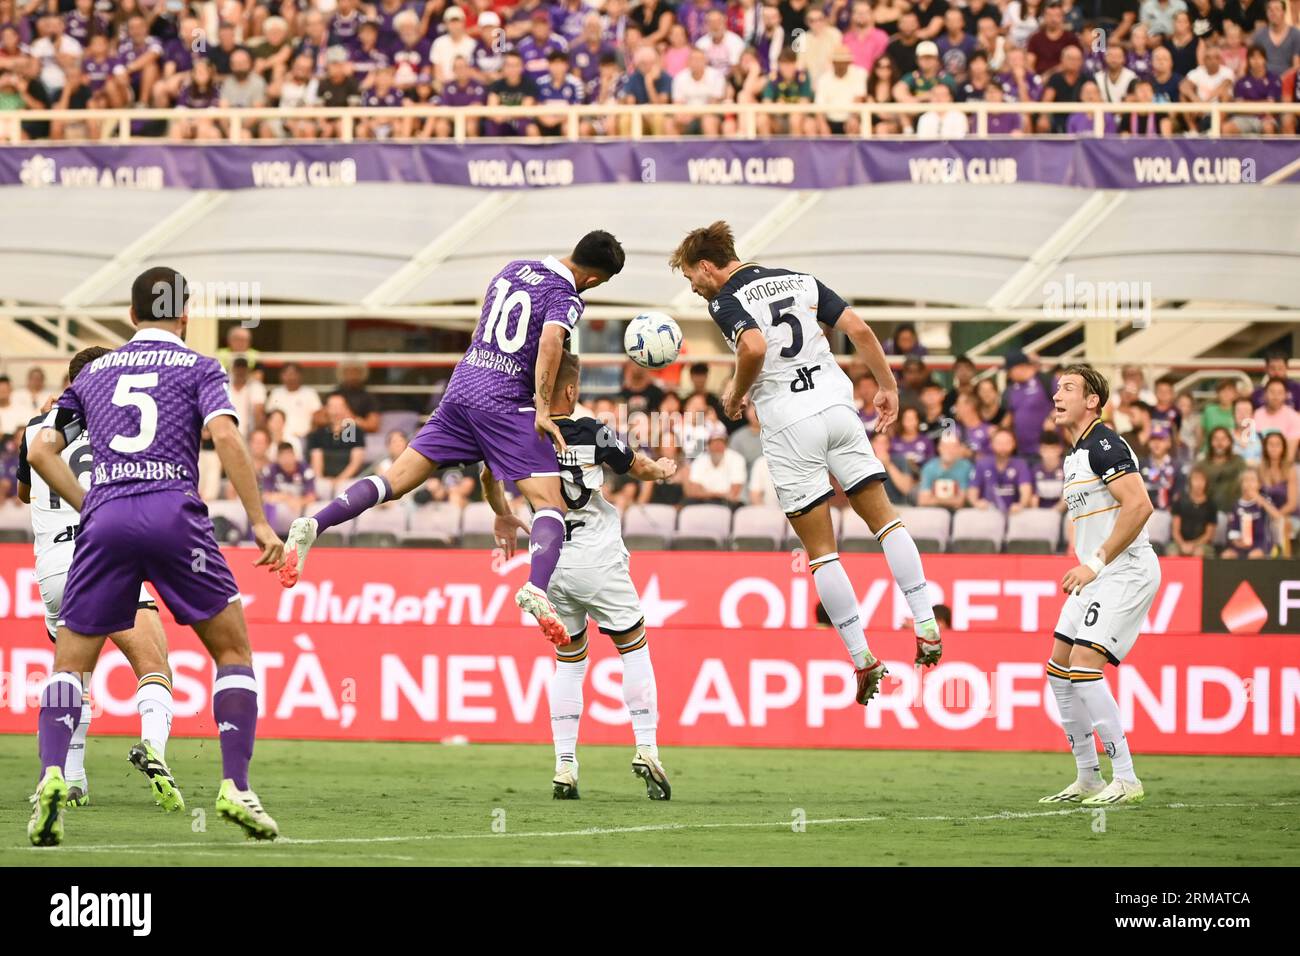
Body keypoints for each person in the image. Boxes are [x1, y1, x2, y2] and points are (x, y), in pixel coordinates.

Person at [25, 267, 285, 846]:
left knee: (70, 665)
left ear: (133, 315)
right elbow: (226, 436)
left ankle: (50, 778)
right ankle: (235, 787)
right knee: (233, 650)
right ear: (185, 316)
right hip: (174, 514)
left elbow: (42, 449)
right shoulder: (198, 367)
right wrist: (261, 522)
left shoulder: (95, 373)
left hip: (107, 521)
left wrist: (88, 503)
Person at [281, 233, 627, 649]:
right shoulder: (567, 297)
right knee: (549, 503)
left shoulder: (513, 268)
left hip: (462, 390)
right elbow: (551, 341)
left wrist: (500, 512)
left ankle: (315, 523)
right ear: (592, 280)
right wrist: (539, 405)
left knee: (393, 481)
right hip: (505, 400)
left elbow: (489, 454)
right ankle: (536, 587)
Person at [670, 220, 941, 708]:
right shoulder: (800, 279)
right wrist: (887, 386)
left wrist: (736, 391)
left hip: (790, 424)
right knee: (885, 521)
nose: (693, 287)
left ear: (708, 266)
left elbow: (752, 346)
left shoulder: (724, 300)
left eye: (692, 277)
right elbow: (857, 328)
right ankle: (924, 620)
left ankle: (862, 657)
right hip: (838, 408)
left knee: (822, 552)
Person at [483, 352, 675, 799]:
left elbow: (487, 473)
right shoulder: (591, 430)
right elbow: (639, 467)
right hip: (598, 557)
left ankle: (565, 765)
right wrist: (663, 470)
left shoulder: (518, 433)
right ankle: (646, 747)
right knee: (633, 648)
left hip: (549, 564)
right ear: (570, 391)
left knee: (569, 663)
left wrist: (503, 514)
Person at [16, 349, 176, 813]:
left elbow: (24, 491)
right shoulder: (129, 427)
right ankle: (153, 748)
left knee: (71, 674)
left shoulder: (34, 427)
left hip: (54, 568)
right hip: (107, 557)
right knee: (153, 663)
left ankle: (70, 777)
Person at [1041, 364, 1157, 807]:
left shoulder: (1104, 444)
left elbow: (1140, 505)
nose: (1057, 395)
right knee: (1059, 670)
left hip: (1125, 570)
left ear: (1092, 401)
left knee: (1085, 665)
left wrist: (1094, 562)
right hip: (1096, 575)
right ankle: (1088, 776)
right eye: (1057, 388)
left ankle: (1126, 777)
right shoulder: (1075, 454)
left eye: (1068, 388)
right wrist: (1085, 564)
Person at [968, 427, 1034, 512]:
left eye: (1007, 442)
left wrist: (1021, 505)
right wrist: (977, 503)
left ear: (1014, 444)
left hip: (1014, 514)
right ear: (991, 444)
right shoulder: (982, 464)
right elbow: (972, 490)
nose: (1003, 446)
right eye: (999, 443)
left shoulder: (1021, 465)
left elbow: (1026, 491)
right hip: (988, 513)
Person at [1222, 468, 1277, 558]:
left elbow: (1277, 516)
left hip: (1261, 542)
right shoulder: (1236, 505)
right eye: (1246, 480)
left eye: (1252, 480)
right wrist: (1237, 542)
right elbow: (1233, 529)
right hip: (1242, 542)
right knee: (1227, 555)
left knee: (1253, 555)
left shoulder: (1264, 500)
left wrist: (1261, 501)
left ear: (1259, 484)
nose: (1249, 483)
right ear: (1241, 484)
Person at [1169, 466, 1219, 557]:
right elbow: (1175, 531)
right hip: (1179, 542)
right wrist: (1182, 544)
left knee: (1198, 552)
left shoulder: (1211, 505)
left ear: (1206, 482)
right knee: (1172, 552)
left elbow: (1208, 535)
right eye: (1195, 479)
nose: (1198, 483)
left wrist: (1193, 545)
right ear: (1190, 482)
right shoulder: (1179, 501)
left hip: (1202, 544)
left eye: (1201, 480)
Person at [918, 431, 974, 510]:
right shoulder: (929, 467)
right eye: (945, 446)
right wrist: (952, 501)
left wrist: (934, 499)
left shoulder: (966, 467)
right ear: (939, 448)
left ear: (959, 449)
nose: (949, 450)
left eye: (953, 447)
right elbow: (923, 501)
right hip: (934, 510)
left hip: (960, 511)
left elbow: (961, 501)